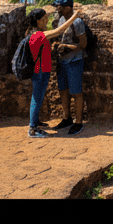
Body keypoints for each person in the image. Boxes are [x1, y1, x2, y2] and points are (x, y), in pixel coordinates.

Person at [24, 7, 64, 138]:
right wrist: (74, 17)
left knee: (39, 97)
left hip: (42, 70)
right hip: (40, 71)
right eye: (45, 18)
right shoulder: (38, 35)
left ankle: (35, 122)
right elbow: (59, 30)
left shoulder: (35, 33)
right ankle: (32, 128)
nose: (47, 20)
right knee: (37, 98)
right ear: (38, 21)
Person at [52, 0, 88, 135]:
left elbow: (83, 44)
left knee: (76, 92)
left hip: (74, 60)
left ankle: (78, 122)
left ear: (68, 8)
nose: (58, 9)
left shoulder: (77, 22)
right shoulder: (62, 19)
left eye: (60, 7)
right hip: (63, 60)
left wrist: (66, 46)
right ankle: (67, 118)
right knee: (63, 90)